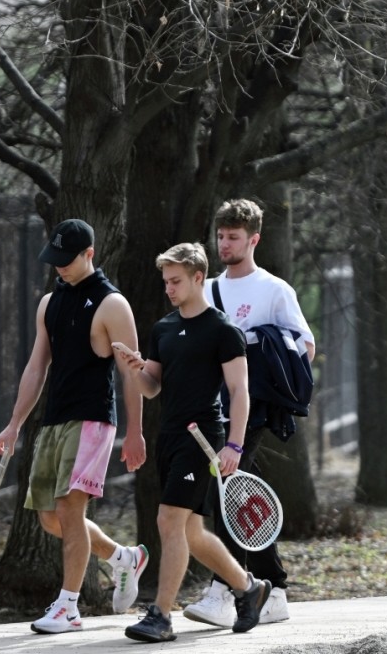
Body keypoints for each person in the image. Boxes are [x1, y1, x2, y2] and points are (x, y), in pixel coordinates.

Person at [0, 218, 148, 635]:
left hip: (93, 419)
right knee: (50, 519)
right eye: (54, 259)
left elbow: (132, 372)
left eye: (67, 259)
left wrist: (135, 432)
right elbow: (36, 367)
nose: (59, 266)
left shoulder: (112, 304)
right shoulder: (50, 303)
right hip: (54, 419)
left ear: (89, 254)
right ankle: (123, 559)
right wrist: (14, 425)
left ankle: (69, 606)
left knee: (70, 508)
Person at [112, 242, 271, 643]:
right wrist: (135, 370)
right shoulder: (164, 328)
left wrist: (233, 446)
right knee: (192, 533)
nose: (169, 288)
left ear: (198, 278)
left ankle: (161, 615)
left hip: (202, 439)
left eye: (176, 281)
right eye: (166, 281)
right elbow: (152, 388)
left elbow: (239, 392)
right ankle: (249, 588)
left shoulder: (223, 330)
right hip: (170, 437)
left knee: (168, 521)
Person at [183, 198, 316, 628]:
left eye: (233, 237)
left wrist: (264, 350)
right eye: (220, 236)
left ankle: (225, 589)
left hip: (254, 406)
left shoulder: (275, 290)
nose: (224, 244)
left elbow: (305, 346)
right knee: (239, 492)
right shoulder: (207, 290)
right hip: (212, 407)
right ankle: (272, 587)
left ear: (254, 239)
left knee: (228, 483)